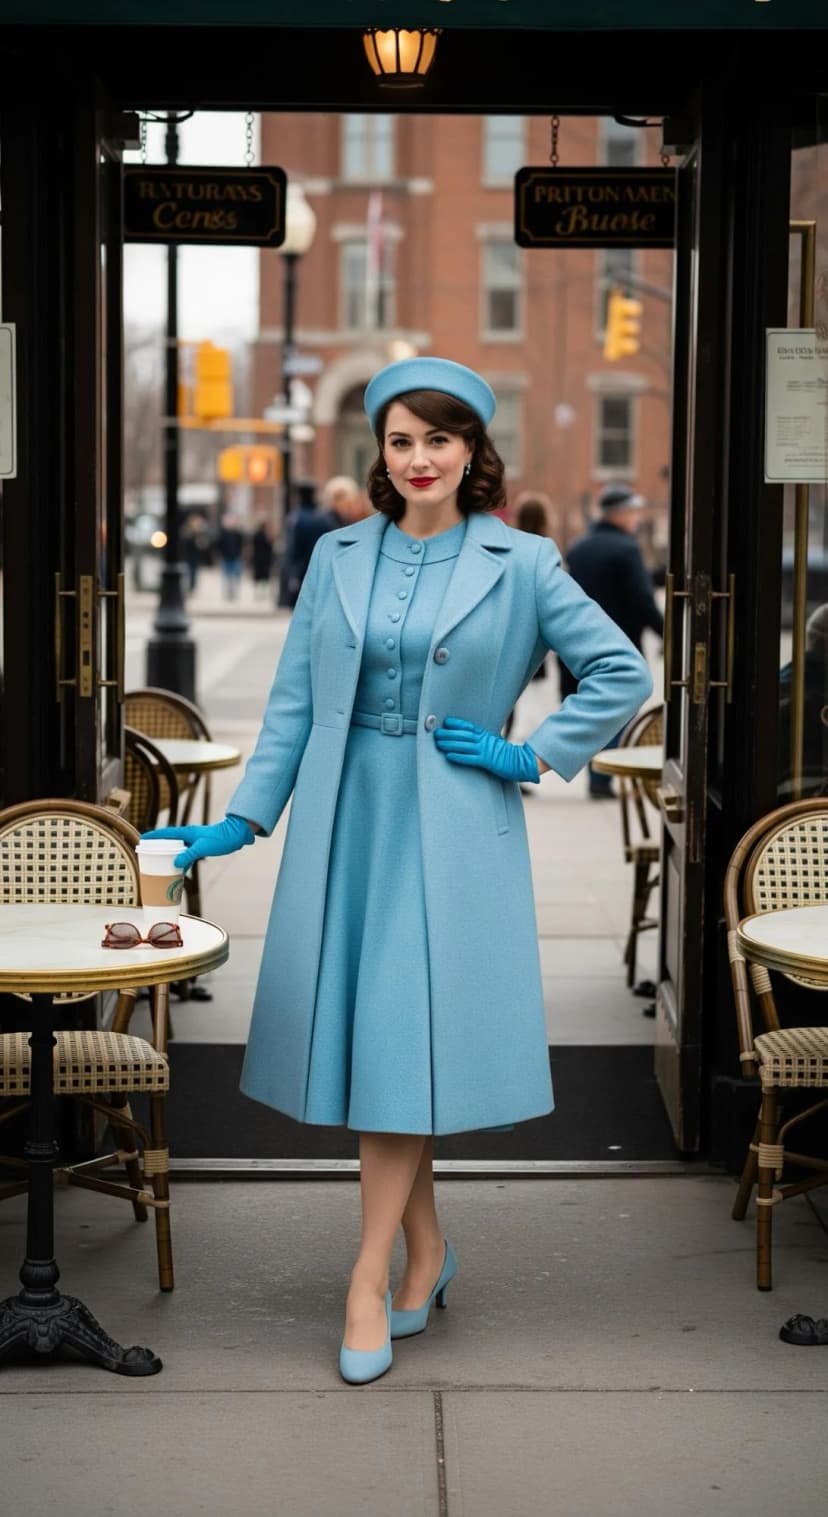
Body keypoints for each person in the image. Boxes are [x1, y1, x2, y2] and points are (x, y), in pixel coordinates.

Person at [143, 356, 651, 1385]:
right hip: (349, 823)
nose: (419, 458)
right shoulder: (334, 554)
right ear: (379, 452)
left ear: (473, 452)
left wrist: (530, 751)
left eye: (439, 439)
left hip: (456, 830)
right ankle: (427, 1249)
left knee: (395, 1038)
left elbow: (623, 670)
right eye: (401, 439)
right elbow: (293, 701)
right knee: (386, 1045)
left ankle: (368, 1273)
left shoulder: (524, 560)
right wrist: (242, 820)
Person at [558, 482, 664, 797]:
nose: (636, 518)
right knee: (616, 707)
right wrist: (667, 634)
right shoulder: (627, 549)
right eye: (632, 511)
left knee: (586, 706)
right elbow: (642, 600)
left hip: (575, 643)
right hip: (619, 642)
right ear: (619, 514)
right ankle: (601, 779)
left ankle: (596, 775)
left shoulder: (579, 547)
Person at [279, 478, 334, 608]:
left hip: (301, 570)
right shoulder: (324, 517)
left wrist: (291, 574)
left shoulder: (296, 518)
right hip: (321, 569)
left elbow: (292, 549)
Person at [215, 511, 245, 602]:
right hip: (226, 558)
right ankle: (228, 593)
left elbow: (242, 544)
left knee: (236, 577)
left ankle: (234, 593)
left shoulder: (238, 534)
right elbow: (218, 545)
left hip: (236, 558)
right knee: (227, 577)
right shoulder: (223, 534)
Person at [250, 518, 275, 601]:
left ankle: (258, 595)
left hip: (258, 560)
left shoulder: (256, 536)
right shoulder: (266, 537)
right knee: (264, 578)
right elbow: (270, 549)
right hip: (264, 560)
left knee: (259, 578)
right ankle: (262, 594)